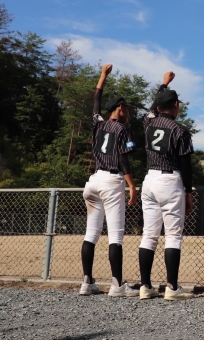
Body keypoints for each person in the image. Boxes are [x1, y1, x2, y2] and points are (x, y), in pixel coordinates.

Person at [79, 63, 139, 297]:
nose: (129, 113)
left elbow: (96, 100)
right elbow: (123, 157)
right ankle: (117, 285)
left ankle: (87, 282)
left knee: (91, 234)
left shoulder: (98, 123)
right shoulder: (123, 129)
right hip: (112, 181)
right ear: (120, 108)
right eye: (127, 109)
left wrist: (103, 75)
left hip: (93, 181)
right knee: (115, 235)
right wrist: (132, 184)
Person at [138, 71, 195, 301]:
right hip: (170, 180)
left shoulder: (148, 123)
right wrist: (189, 192)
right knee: (172, 235)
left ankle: (145, 286)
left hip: (149, 179)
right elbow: (186, 165)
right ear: (175, 105)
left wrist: (163, 84)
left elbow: (152, 108)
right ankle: (172, 287)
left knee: (149, 235)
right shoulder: (180, 130)